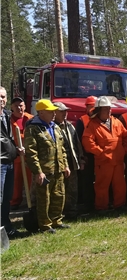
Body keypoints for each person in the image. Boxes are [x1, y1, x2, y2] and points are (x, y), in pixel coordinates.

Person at [24, 100, 70, 234]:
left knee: (59, 195)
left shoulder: (55, 127)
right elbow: (31, 153)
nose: (53, 113)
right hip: (44, 171)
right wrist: (38, 172)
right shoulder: (33, 128)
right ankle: (45, 224)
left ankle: (56, 221)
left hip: (58, 169)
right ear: (41, 113)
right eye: (50, 111)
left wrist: (65, 165)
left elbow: (62, 148)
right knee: (44, 199)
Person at [53, 102, 84, 218]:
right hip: (58, 165)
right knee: (59, 190)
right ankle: (58, 214)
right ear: (54, 112)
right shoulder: (52, 127)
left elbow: (77, 144)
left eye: (65, 111)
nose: (65, 114)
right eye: (61, 111)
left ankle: (72, 211)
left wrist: (81, 159)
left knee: (72, 189)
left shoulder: (70, 126)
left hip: (72, 162)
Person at [1, 87, 22, 238]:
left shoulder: (7, 116)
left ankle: (6, 226)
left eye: (3, 97)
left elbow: (8, 138)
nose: (1, 99)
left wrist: (16, 148)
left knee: (7, 196)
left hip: (9, 161)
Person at [9, 97, 33, 209]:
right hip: (15, 156)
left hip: (29, 155)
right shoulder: (8, 120)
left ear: (25, 106)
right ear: (12, 108)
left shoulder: (31, 119)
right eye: (16, 106)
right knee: (15, 180)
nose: (19, 108)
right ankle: (14, 202)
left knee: (30, 180)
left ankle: (30, 201)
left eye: (21, 105)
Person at [75, 95, 97, 212]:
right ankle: (87, 203)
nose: (93, 109)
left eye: (95, 107)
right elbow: (78, 140)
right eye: (91, 107)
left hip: (99, 155)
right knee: (86, 180)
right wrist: (82, 157)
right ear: (87, 107)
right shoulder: (81, 120)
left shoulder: (100, 119)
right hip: (87, 155)